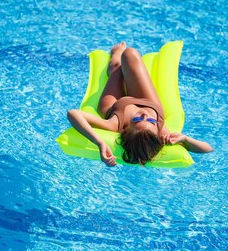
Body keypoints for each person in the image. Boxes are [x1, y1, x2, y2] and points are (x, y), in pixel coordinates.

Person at [67, 43, 213, 167]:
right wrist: (185, 139)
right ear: (157, 129)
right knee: (130, 54)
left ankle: (115, 56)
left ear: (125, 130)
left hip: (117, 105)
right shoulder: (162, 134)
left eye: (137, 121)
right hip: (148, 101)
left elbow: (73, 113)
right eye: (150, 121)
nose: (144, 115)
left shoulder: (114, 124)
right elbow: (208, 149)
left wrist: (99, 142)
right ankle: (127, 71)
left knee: (118, 66)